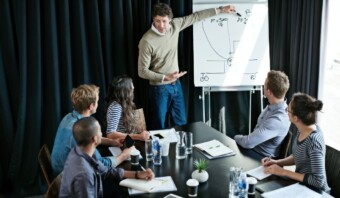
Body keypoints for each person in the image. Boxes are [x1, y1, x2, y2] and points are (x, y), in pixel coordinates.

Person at [138, 3, 236, 130]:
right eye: (157, 21)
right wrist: (165, 77)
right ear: (153, 20)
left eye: (164, 21)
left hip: (176, 86)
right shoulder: (146, 40)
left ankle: (181, 149)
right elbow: (142, 71)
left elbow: (196, 17)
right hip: (159, 90)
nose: (161, 25)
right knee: (159, 126)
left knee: (181, 124)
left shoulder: (175, 25)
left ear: (170, 20)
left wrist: (221, 10)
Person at [59, 117, 155, 197]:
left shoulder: (82, 152)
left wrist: (138, 174)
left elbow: (107, 171)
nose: (102, 134)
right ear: (94, 139)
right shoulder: (84, 175)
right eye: (100, 132)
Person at [51, 84, 133, 177]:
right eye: (97, 101)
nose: (98, 104)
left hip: (58, 172)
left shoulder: (68, 117)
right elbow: (101, 164)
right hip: (68, 179)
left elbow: (91, 137)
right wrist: (124, 155)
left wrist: (112, 142)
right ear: (91, 106)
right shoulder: (83, 129)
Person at [262, 92, 330, 193]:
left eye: (287, 110)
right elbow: (297, 156)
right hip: (301, 186)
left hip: (315, 192)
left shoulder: (314, 141)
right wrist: (276, 162)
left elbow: (318, 181)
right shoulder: (301, 129)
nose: (286, 112)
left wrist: (283, 172)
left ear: (295, 118)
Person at [234, 70, 290, 157]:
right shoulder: (272, 105)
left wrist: (234, 137)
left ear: (269, 92)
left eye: (264, 85)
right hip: (253, 149)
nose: (263, 86)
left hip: (260, 158)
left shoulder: (278, 119)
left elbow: (248, 143)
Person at [105, 75, 150, 141]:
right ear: (125, 89)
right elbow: (110, 134)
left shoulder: (124, 104)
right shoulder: (116, 106)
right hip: (122, 145)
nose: (133, 87)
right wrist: (138, 136)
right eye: (131, 85)